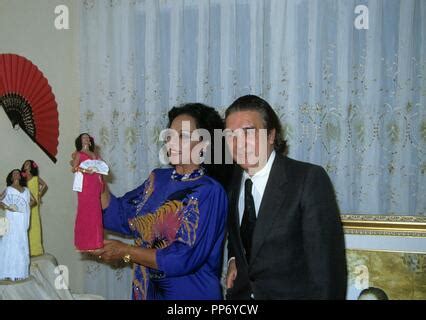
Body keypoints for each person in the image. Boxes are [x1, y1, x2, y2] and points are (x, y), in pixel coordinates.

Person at [92, 103, 229, 300]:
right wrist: (94, 173)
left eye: (182, 136)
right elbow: (118, 215)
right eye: (170, 136)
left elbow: (182, 258)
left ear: (204, 144)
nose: (172, 142)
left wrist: (126, 252)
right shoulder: (158, 179)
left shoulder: (210, 191)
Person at [224, 95, 347, 299]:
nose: (238, 144)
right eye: (230, 135)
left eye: (248, 132)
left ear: (271, 135)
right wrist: (233, 259)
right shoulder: (232, 180)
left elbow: (328, 272)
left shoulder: (307, 180)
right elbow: (238, 235)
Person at [0, 169, 36, 281]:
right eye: (14, 173)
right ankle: (7, 271)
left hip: (22, 219)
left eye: (18, 173)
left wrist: (25, 206)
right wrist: (6, 206)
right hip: (12, 219)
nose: (16, 174)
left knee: (21, 241)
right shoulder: (8, 189)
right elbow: (0, 200)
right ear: (11, 177)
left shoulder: (26, 190)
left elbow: (34, 201)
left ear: (21, 176)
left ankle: (21, 271)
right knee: (10, 241)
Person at [71, 133, 104, 251]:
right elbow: (74, 168)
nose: (86, 139)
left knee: (96, 211)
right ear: (80, 140)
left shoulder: (94, 154)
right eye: (83, 137)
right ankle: (84, 242)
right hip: (85, 184)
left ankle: (97, 240)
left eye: (87, 137)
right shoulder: (79, 154)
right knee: (85, 210)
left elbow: (101, 167)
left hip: (95, 183)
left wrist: (101, 178)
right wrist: (85, 170)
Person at [21, 160, 48, 256]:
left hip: (34, 204)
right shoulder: (22, 179)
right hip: (25, 204)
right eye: (25, 164)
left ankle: (35, 249)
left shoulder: (35, 178)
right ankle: (25, 249)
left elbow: (44, 185)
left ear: (32, 166)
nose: (26, 165)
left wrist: (39, 193)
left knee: (34, 224)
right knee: (25, 225)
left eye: (28, 164)